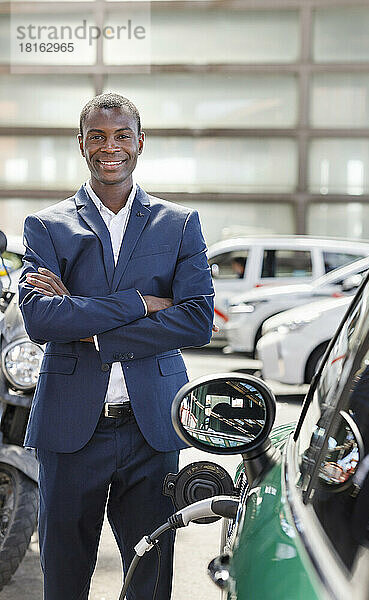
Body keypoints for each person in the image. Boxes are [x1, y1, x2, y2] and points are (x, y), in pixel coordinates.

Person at [18, 92, 214, 600]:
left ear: (140, 143)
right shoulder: (46, 226)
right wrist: (143, 303)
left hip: (153, 427)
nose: (111, 147)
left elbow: (195, 320)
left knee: (150, 579)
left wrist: (88, 321)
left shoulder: (179, 224)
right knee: (64, 576)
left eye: (122, 135)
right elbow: (41, 319)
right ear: (81, 145)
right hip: (70, 427)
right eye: (99, 136)